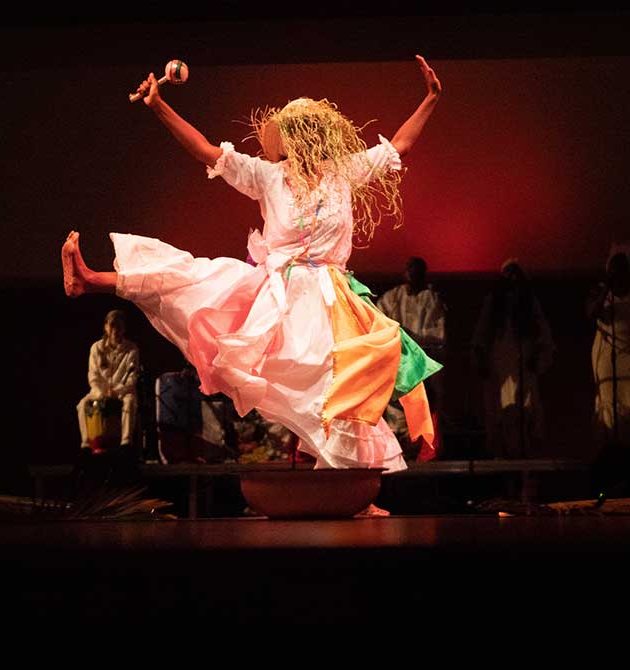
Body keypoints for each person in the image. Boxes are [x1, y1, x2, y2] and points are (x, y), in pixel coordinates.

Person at [61, 55, 443, 475]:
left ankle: (344, 485)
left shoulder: (342, 172)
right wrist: (158, 105)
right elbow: (206, 151)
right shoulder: (268, 175)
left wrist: (430, 98)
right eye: (296, 132)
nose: (304, 139)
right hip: (279, 295)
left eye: (310, 131)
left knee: (337, 391)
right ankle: (91, 279)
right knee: (191, 279)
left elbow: (399, 146)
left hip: (330, 301)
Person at [472, 259, 555, 458]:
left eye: (516, 273)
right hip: (499, 363)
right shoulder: (493, 303)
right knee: (501, 412)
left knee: (525, 411)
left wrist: (537, 355)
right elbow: (481, 334)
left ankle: (524, 462)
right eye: (508, 273)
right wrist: (481, 359)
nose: (512, 277)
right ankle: (504, 461)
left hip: (524, 363)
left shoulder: (529, 304)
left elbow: (544, 334)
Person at [585, 244, 630, 447]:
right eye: (613, 267)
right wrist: (607, 288)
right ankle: (611, 447)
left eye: (622, 267)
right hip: (607, 358)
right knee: (610, 401)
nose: (617, 271)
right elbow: (592, 313)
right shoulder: (599, 291)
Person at [377, 256, 447, 459]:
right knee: (396, 417)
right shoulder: (391, 298)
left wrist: (411, 339)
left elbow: (438, 336)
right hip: (396, 366)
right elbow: (378, 325)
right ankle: (397, 456)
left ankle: (418, 458)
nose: (412, 274)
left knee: (419, 417)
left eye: (417, 271)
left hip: (421, 368)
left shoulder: (431, 299)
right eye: (409, 269)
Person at [76, 309, 140, 454]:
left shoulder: (132, 349)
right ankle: (86, 444)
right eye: (112, 325)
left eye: (119, 326)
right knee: (82, 405)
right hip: (100, 391)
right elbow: (93, 376)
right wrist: (101, 392)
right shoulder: (96, 348)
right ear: (106, 327)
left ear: (124, 328)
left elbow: (132, 378)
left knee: (130, 402)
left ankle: (126, 443)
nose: (115, 330)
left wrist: (117, 391)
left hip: (123, 392)